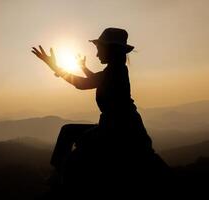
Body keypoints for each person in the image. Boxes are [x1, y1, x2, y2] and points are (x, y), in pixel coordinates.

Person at [32, 28, 169, 187]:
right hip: (120, 125)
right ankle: (58, 175)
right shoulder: (116, 69)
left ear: (110, 50)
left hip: (116, 129)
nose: (97, 55)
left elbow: (83, 84)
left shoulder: (114, 71)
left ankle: (60, 180)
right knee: (69, 131)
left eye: (99, 49)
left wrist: (54, 67)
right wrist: (83, 67)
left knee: (72, 140)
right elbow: (96, 79)